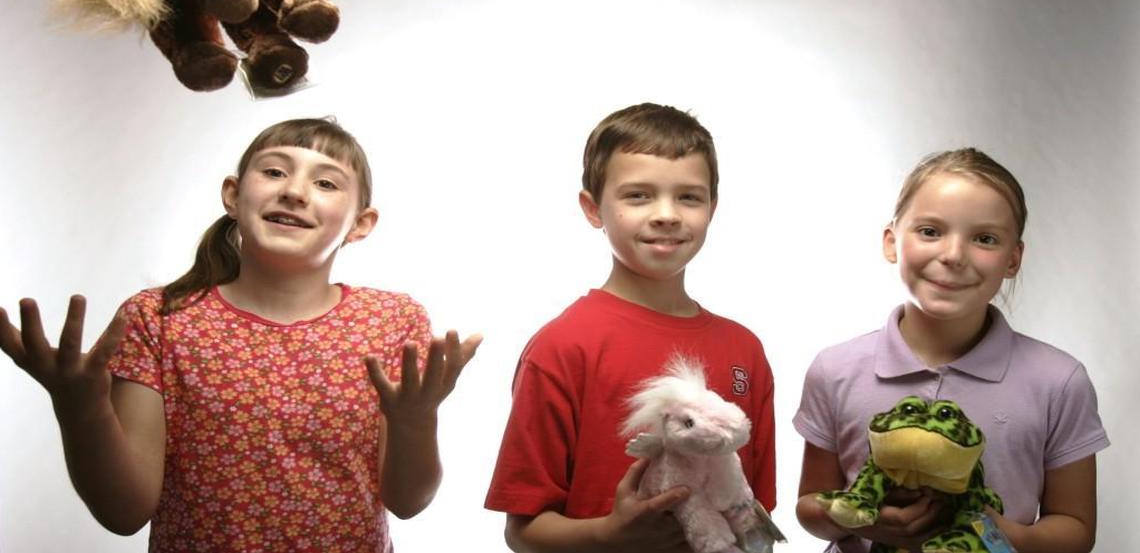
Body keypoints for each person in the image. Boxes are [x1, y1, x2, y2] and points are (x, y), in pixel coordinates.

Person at [0, 117, 480, 553]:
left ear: (361, 224)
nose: (294, 191)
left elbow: (408, 501)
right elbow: (124, 514)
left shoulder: (392, 320)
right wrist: (80, 408)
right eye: (274, 172)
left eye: (327, 182)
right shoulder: (159, 318)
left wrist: (417, 421)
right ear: (232, 194)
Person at [485, 103, 776, 552]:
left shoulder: (745, 350)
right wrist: (610, 534)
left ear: (712, 209)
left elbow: (753, 513)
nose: (667, 214)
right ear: (593, 208)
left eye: (689, 197)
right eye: (638, 195)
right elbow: (523, 532)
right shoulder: (562, 347)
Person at [794, 148, 1109, 553]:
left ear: (1013, 259)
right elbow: (810, 506)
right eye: (930, 231)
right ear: (892, 242)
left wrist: (995, 535)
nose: (953, 255)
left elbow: (1076, 529)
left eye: (984, 238)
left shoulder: (1058, 381)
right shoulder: (835, 369)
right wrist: (870, 520)